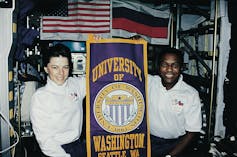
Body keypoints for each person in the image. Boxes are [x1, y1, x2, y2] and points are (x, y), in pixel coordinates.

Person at [30, 44, 86, 157]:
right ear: (46, 68)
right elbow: (45, 140)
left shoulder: (75, 84)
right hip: (55, 150)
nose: (61, 73)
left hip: (78, 146)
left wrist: (100, 46)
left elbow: (97, 75)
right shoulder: (40, 97)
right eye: (55, 67)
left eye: (65, 67)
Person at [148, 47, 202, 157]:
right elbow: (129, 67)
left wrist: (170, 155)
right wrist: (133, 44)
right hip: (148, 142)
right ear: (158, 67)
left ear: (181, 68)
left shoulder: (190, 94)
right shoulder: (149, 82)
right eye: (164, 64)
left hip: (176, 146)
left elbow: (192, 132)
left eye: (175, 65)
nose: (169, 69)